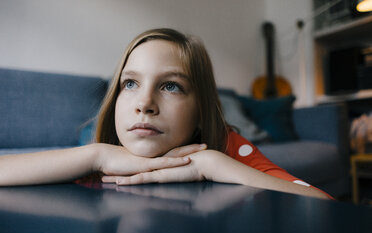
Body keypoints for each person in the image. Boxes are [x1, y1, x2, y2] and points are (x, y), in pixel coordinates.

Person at [0, 28, 331, 199]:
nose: (144, 103)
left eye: (171, 86)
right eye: (130, 84)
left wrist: (210, 164)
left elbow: (324, 204)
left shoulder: (226, 147)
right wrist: (96, 155)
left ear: (202, 111)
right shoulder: (101, 156)